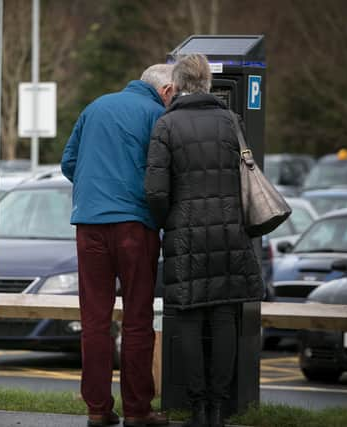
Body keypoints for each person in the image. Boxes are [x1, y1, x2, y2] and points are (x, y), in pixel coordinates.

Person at [145, 54, 263, 427]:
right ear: (209, 83)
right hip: (230, 231)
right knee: (225, 315)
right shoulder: (232, 121)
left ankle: (197, 407)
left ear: (176, 84)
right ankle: (218, 408)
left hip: (187, 233)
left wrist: (170, 223)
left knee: (192, 319)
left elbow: (155, 190)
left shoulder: (166, 124)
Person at [61, 64, 174, 427]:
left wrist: (94, 190)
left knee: (94, 320)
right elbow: (163, 171)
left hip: (89, 225)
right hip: (134, 227)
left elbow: (69, 162)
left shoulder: (94, 107)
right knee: (137, 320)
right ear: (167, 89)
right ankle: (138, 410)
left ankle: (97, 408)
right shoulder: (157, 114)